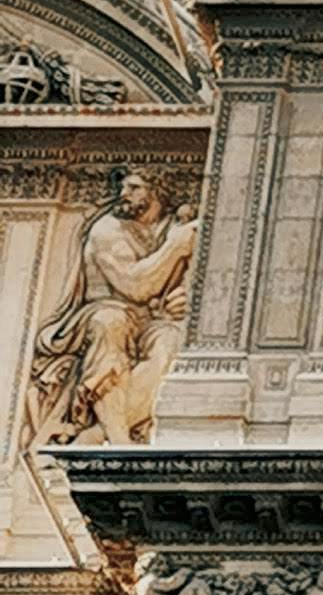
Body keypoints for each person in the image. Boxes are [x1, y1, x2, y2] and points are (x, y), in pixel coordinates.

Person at [22, 169, 198, 449]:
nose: (123, 194)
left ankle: (99, 434)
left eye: (134, 188)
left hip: (148, 321)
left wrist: (186, 297)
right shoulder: (107, 229)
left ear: (157, 193)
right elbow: (135, 285)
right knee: (110, 323)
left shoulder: (170, 226)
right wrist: (174, 248)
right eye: (124, 188)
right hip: (101, 311)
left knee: (171, 342)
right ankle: (118, 440)